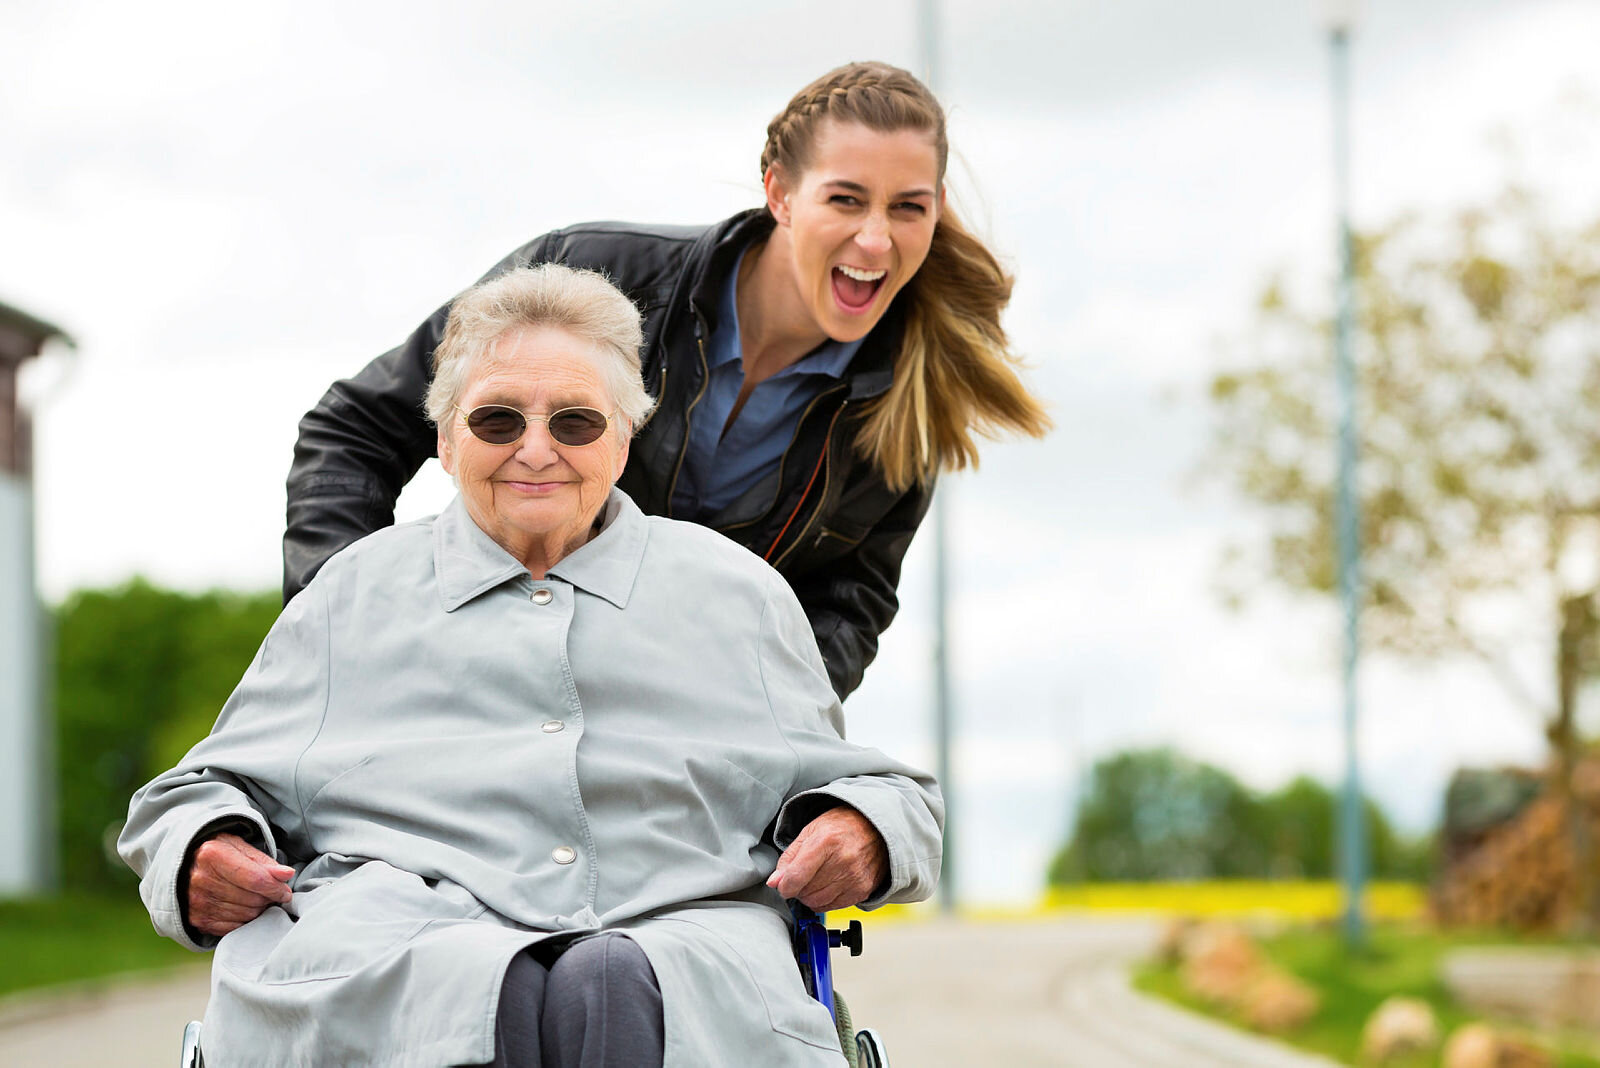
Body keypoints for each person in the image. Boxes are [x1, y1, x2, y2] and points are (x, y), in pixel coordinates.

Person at [121, 264, 942, 1067]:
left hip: (677, 928)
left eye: (576, 422)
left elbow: (886, 791)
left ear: (624, 440)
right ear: (445, 441)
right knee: (478, 987)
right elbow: (194, 792)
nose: (536, 450)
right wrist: (204, 845)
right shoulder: (353, 594)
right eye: (498, 422)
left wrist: (862, 830)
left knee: (614, 983)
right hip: (403, 931)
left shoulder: (736, 594)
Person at [285, 60, 1050, 701]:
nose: (875, 238)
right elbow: (354, 430)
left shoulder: (909, 406)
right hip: (481, 683)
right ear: (779, 192)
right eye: (845, 199)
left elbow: (845, 609)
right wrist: (348, 636)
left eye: (907, 208)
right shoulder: (592, 272)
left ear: (937, 210)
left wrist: (763, 743)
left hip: (664, 744)